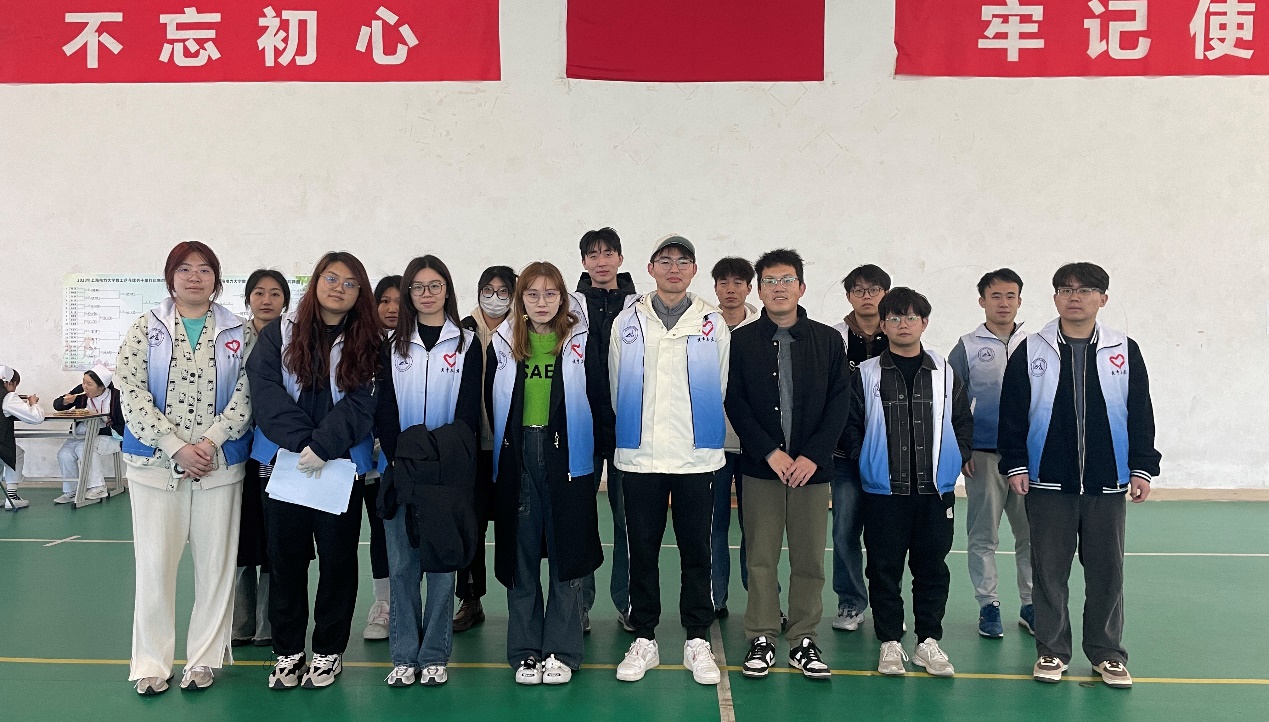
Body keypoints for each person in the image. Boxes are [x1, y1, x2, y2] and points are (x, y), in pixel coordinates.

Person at [998, 262, 1160, 688]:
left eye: (1085, 290)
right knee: (1049, 573)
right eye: (1066, 289)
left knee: (1107, 572)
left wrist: (1143, 467)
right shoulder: (1031, 349)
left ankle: (1107, 653)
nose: (1075, 297)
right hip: (1047, 481)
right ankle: (1052, 650)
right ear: (1055, 297)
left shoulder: (1124, 349)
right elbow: (1012, 413)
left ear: (1102, 299)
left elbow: (1140, 412)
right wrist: (1015, 464)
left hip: (1107, 482)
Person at [115, 241, 254, 695]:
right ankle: (151, 663)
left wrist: (210, 443)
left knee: (215, 568)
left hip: (219, 466)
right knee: (154, 567)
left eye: (205, 269)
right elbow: (131, 391)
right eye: (185, 269)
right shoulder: (145, 328)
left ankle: (203, 660)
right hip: (154, 467)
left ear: (217, 279)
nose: (195, 277)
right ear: (170, 277)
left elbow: (248, 393)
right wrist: (176, 446)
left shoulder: (239, 332)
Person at [248, 251, 378, 690]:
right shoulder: (280, 333)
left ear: (360, 293)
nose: (339, 288)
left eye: (350, 283)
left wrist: (324, 445)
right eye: (331, 278)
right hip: (285, 464)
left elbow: (364, 402)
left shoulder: (369, 340)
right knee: (285, 560)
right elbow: (265, 391)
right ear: (316, 281)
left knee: (338, 561)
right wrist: (304, 442)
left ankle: (327, 651)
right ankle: (287, 652)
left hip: (340, 467)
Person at [609, 235, 729, 686]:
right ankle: (645, 637)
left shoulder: (712, 323)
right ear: (650, 268)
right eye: (665, 260)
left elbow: (720, 384)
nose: (674, 268)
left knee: (698, 551)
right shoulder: (627, 321)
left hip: (697, 459)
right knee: (641, 550)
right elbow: (617, 385)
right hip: (640, 459)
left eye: (683, 261)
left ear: (694, 270)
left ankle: (697, 638)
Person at [725, 250, 848, 680]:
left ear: (801, 287)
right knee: (760, 556)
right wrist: (769, 452)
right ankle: (761, 634)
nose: (779, 288)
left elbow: (839, 402)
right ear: (759, 290)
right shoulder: (741, 341)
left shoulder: (828, 341)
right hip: (762, 468)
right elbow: (735, 402)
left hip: (812, 471)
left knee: (809, 558)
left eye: (787, 280)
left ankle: (803, 638)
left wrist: (813, 455)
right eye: (770, 281)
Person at [843, 287, 973, 678]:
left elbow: (962, 422)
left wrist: (956, 457)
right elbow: (850, 425)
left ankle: (928, 642)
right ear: (883, 325)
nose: (904, 324)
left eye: (912, 317)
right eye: (895, 318)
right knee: (883, 569)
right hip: (884, 492)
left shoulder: (945, 372)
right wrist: (864, 458)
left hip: (935, 492)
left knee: (932, 568)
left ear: (924, 323)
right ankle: (889, 642)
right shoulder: (866, 373)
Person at [489, 262, 603, 685]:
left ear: (562, 298)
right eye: (532, 294)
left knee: (566, 559)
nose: (541, 302)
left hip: (567, 458)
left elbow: (598, 397)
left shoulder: (580, 341)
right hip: (520, 456)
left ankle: (561, 651)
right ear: (521, 299)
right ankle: (524, 651)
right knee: (520, 560)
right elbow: (492, 405)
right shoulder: (504, 343)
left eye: (550, 293)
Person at [375, 256, 483, 687]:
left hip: (445, 472)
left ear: (447, 290)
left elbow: (468, 413)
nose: (426, 294)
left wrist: (438, 457)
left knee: (441, 566)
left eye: (434, 285)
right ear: (408, 294)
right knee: (402, 566)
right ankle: (404, 655)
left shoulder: (467, 344)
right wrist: (403, 457)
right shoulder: (391, 345)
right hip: (400, 470)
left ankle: (435, 653)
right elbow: (385, 409)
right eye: (417, 287)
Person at [947, 268, 1033, 639]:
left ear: (1020, 300)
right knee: (984, 536)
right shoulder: (966, 346)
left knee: (1032, 536)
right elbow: (952, 402)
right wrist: (961, 448)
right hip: (982, 455)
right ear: (982, 301)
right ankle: (988, 605)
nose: (1003, 303)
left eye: (1010, 296)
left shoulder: (1037, 345)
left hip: (1029, 459)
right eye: (995, 296)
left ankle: (1032, 604)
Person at [574, 227, 637, 632]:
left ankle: (628, 602)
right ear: (584, 262)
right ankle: (578, 604)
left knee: (627, 520)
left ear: (620, 258)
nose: (601, 261)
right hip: (580, 427)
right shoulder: (569, 307)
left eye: (608, 253)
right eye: (593, 255)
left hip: (628, 429)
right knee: (580, 518)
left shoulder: (640, 307)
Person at [454, 265, 518, 633]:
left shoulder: (523, 330)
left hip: (510, 446)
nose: (495, 298)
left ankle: (520, 598)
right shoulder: (461, 330)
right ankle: (470, 598)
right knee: (470, 524)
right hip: (471, 446)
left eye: (503, 290)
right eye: (488, 290)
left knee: (514, 524)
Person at [830, 264, 891, 633]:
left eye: (874, 289)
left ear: (886, 294)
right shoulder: (833, 337)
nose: (866, 296)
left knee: (887, 536)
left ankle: (888, 606)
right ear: (849, 296)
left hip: (889, 456)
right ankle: (851, 602)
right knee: (844, 532)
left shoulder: (899, 333)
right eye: (859, 290)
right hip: (843, 457)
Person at [232, 269, 291, 648]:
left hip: (277, 449)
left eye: (274, 293)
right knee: (238, 535)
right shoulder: (230, 338)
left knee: (275, 536)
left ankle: (269, 624)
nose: (266, 300)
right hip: (235, 448)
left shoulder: (294, 338)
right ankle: (240, 624)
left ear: (285, 300)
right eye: (258, 293)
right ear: (248, 298)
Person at [709, 256, 759, 618]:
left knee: (757, 530)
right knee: (713, 526)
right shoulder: (702, 326)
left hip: (756, 447)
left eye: (738, 282)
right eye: (723, 282)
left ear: (749, 288)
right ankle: (714, 597)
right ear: (715, 288)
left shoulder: (764, 328)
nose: (730, 289)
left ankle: (763, 601)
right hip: (712, 445)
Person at [362, 274, 403, 641]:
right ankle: (384, 604)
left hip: (410, 458)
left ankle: (410, 603)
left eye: (399, 301)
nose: (392, 308)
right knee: (380, 529)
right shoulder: (361, 346)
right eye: (384, 301)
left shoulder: (419, 347)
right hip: (367, 460)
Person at [51, 364, 124, 504]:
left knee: (84, 448)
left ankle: (98, 487)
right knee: (64, 454)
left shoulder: (117, 397)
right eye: (83, 382)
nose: (84, 386)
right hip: (81, 434)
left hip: (110, 436)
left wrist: (98, 428)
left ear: (102, 387)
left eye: (89, 384)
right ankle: (71, 491)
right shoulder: (81, 392)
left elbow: (122, 426)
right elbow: (57, 405)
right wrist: (64, 401)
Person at [1, 367, 45, 511]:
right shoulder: (8, 397)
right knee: (15, 453)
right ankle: (12, 497)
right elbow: (36, 417)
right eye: (15, 386)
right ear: (9, 383)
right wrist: (33, 403)